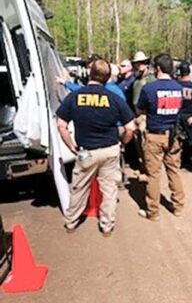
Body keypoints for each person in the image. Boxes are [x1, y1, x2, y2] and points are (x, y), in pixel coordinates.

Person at [56, 59, 135, 237]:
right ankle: (107, 226)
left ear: (90, 75)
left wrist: (71, 147)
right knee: (109, 190)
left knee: (79, 187)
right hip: (110, 150)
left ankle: (71, 222)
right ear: (107, 78)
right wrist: (123, 143)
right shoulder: (114, 98)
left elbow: (60, 124)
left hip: (86, 152)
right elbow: (131, 128)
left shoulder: (75, 96)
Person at [137, 53, 184, 221]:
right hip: (173, 136)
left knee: (154, 175)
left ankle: (153, 211)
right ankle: (178, 206)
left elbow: (140, 109)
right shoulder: (179, 88)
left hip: (155, 136)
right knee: (174, 171)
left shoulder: (149, 88)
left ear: (157, 69)